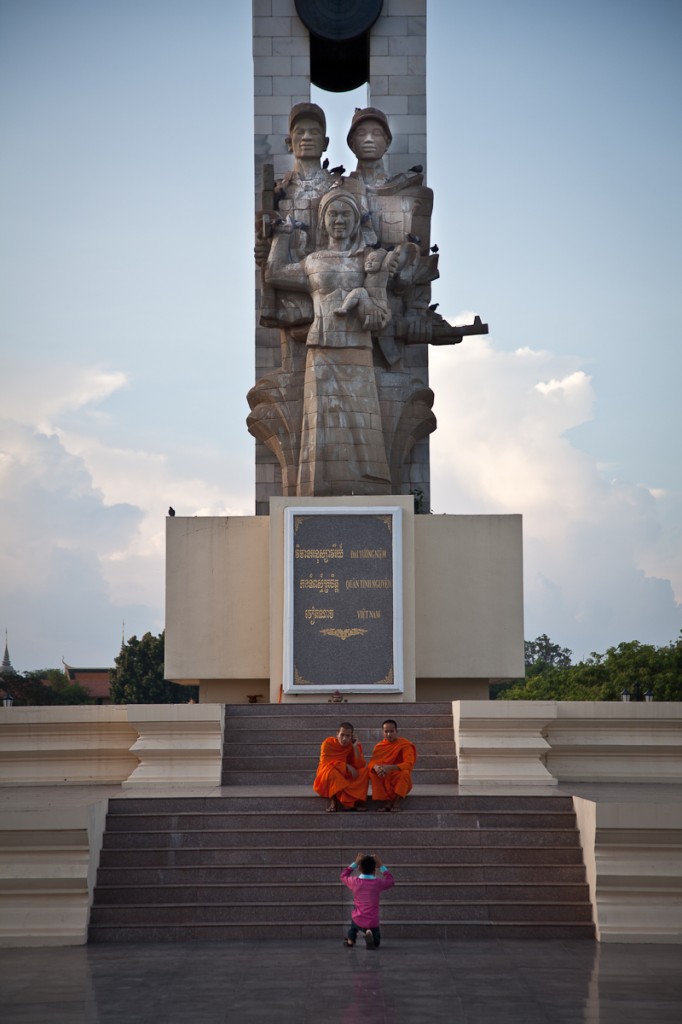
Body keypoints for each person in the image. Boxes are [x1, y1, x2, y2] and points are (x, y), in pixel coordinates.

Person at [265, 187, 395, 496]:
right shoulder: (313, 261)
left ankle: (368, 485)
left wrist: (367, 305)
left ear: (354, 219)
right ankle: (317, 488)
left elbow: (381, 311)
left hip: (357, 349)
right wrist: (281, 238)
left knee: (362, 423)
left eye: (346, 214)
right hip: (321, 348)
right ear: (323, 221)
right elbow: (274, 274)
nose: (339, 220)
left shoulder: (369, 260)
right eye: (333, 214)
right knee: (321, 422)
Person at [341, 851, 395, 949]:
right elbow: (391, 881)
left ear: (359, 868)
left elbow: (343, 876)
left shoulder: (355, 882)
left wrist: (355, 862)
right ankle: (370, 933)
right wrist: (381, 865)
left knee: (353, 925)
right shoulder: (377, 883)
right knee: (376, 942)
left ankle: (350, 940)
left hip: (358, 919)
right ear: (375, 870)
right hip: (372, 921)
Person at [313, 722, 369, 812]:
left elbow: (360, 765)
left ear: (352, 736)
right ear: (337, 734)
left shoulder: (353, 745)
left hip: (344, 773)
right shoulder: (328, 743)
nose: (344, 739)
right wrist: (346, 766)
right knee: (331, 772)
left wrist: (355, 747)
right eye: (342, 735)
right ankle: (333, 801)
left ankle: (352, 802)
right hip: (328, 772)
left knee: (364, 771)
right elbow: (325, 763)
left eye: (348, 736)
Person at [369, 719, 417, 812]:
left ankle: (396, 801)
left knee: (405, 773)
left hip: (397, 775)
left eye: (391, 731)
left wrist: (390, 768)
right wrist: (376, 767)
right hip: (384, 774)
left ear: (396, 731)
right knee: (373, 773)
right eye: (386, 731)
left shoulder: (404, 744)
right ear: (382, 732)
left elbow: (408, 764)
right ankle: (386, 801)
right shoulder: (379, 746)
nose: (389, 734)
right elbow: (372, 763)